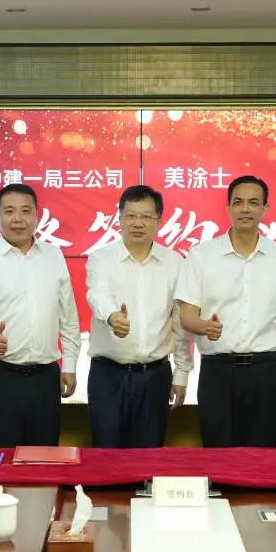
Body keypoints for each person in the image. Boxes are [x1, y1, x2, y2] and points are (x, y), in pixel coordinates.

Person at [175, 175, 276, 447]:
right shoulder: (201, 255)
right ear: (228, 208)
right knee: (218, 455)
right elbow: (186, 315)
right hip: (217, 372)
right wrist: (203, 327)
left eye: (253, 203)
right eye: (238, 203)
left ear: (265, 209)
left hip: (266, 372)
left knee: (265, 456)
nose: (245, 209)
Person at [0, 183, 81, 447]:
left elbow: (69, 317)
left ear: (37, 215)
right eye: (9, 211)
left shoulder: (53, 256)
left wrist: (70, 365)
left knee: (44, 457)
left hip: (45, 378)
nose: (18, 219)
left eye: (26, 211)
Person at [84, 184, 193, 447]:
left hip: (155, 376)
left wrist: (181, 373)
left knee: (150, 457)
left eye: (146, 216)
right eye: (131, 216)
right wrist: (113, 317)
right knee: (107, 455)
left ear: (159, 221)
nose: (138, 223)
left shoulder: (175, 262)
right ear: (119, 219)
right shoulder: (101, 259)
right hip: (108, 375)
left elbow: (179, 323)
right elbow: (97, 294)